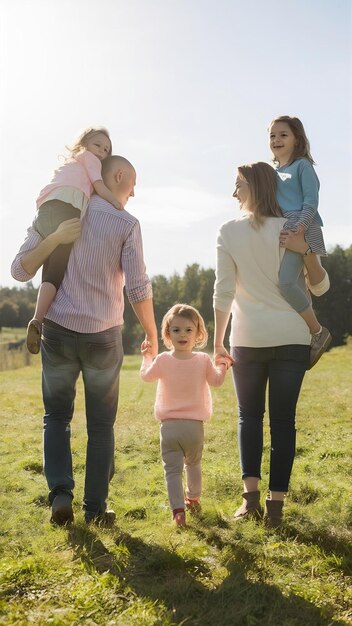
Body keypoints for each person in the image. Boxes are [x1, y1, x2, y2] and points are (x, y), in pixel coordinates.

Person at [11, 155, 158, 526]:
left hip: (57, 329)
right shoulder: (126, 222)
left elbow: (19, 268)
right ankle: (95, 509)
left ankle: (60, 494)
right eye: (133, 183)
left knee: (56, 417)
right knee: (101, 425)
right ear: (118, 176)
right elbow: (137, 287)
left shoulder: (61, 209)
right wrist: (152, 333)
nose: (134, 192)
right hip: (102, 337)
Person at [213, 161, 329, 528]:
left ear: (259, 188)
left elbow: (224, 291)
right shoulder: (296, 228)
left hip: (247, 339)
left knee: (251, 417)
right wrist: (307, 250)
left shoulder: (228, 232)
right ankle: (273, 507)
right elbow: (321, 287)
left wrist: (218, 341)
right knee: (283, 421)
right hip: (293, 337)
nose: (234, 193)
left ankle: (252, 503)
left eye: (239, 186)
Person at [26, 126, 122, 355]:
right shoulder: (90, 160)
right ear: (83, 144)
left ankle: (38, 318)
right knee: (56, 271)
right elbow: (99, 186)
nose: (101, 151)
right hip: (66, 209)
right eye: (97, 144)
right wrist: (116, 203)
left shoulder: (72, 163)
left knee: (50, 269)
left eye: (106, 150)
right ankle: (38, 318)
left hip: (45, 211)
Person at [140, 304, 231, 527]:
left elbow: (146, 376)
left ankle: (178, 511)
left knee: (172, 471)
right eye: (177, 330)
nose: (182, 334)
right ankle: (193, 498)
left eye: (188, 330)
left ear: (198, 333)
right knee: (193, 464)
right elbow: (217, 381)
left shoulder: (161, 360)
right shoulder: (202, 360)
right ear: (168, 334)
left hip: (169, 428)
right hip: (194, 428)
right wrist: (223, 363)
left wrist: (147, 357)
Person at [269, 115, 331, 368]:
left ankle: (318, 331)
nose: (276, 140)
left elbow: (311, 202)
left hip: (302, 228)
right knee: (292, 284)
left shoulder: (302, 166)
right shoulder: (274, 173)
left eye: (283, 135)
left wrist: (299, 229)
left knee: (286, 282)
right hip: (284, 231)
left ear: (297, 139)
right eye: (272, 136)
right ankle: (299, 339)